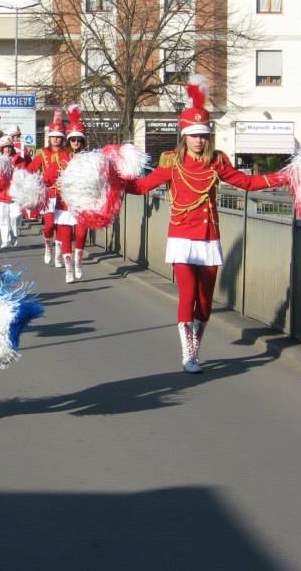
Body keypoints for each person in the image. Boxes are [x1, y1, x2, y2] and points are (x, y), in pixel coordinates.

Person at [123, 78, 289, 373]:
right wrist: (116, 181)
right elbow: (142, 186)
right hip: (182, 237)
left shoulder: (217, 162)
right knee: (187, 294)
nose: (199, 140)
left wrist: (284, 177)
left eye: (203, 135)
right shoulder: (171, 161)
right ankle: (189, 353)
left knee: (205, 301)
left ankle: (196, 345)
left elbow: (247, 182)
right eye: (194, 135)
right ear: (184, 136)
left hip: (209, 238)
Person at [26, 109, 70, 266]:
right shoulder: (43, 153)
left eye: (58, 137)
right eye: (53, 137)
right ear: (49, 138)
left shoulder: (68, 154)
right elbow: (31, 169)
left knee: (60, 226)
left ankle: (58, 254)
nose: (56, 140)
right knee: (50, 225)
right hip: (49, 193)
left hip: (63, 195)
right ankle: (47, 246)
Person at [55, 106, 90, 283]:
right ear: (69, 141)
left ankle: (78, 263)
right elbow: (49, 176)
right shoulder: (60, 157)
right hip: (64, 203)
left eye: (79, 140)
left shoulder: (88, 158)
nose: (76, 142)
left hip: (83, 202)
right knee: (66, 236)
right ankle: (69, 269)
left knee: (82, 234)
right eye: (73, 139)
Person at [0, 142, 22, 248]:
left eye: (9, 147)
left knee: (15, 215)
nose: (8, 149)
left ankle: (14, 234)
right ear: (2, 148)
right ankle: (5, 240)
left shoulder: (19, 160)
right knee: (3, 218)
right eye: (5, 147)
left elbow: (26, 172)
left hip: (15, 194)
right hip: (0, 194)